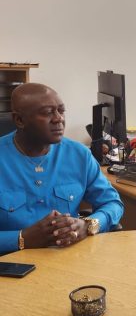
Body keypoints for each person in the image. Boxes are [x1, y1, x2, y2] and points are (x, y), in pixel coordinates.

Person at [0, 83, 124, 255]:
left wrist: (88, 225)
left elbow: (112, 203)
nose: (58, 119)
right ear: (19, 120)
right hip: (11, 262)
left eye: (61, 111)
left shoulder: (79, 155)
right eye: (47, 112)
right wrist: (22, 239)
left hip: (67, 256)